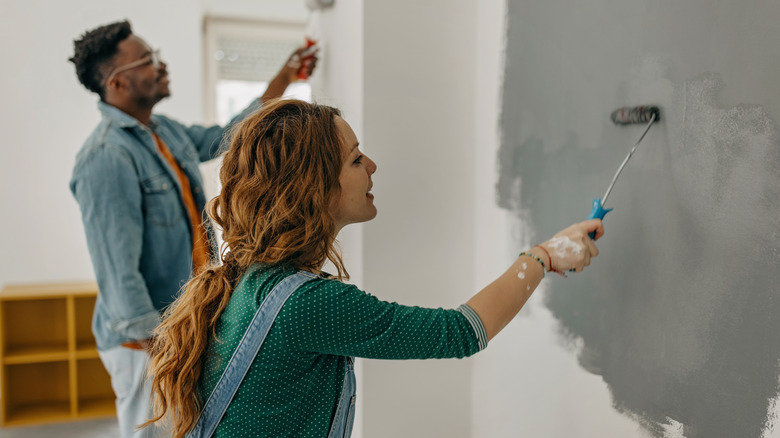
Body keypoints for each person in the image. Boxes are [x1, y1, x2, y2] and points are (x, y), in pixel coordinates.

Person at [144, 99, 604, 437]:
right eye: (356, 158)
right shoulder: (306, 305)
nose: (373, 166)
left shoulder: (251, 280)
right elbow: (460, 332)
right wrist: (542, 257)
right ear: (315, 187)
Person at [68, 20, 317, 438]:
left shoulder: (163, 131)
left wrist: (286, 76)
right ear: (117, 83)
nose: (161, 65)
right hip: (145, 340)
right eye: (147, 61)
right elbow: (119, 276)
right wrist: (165, 350)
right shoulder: (105, 157)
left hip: (180, 326)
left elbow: (232, 133)